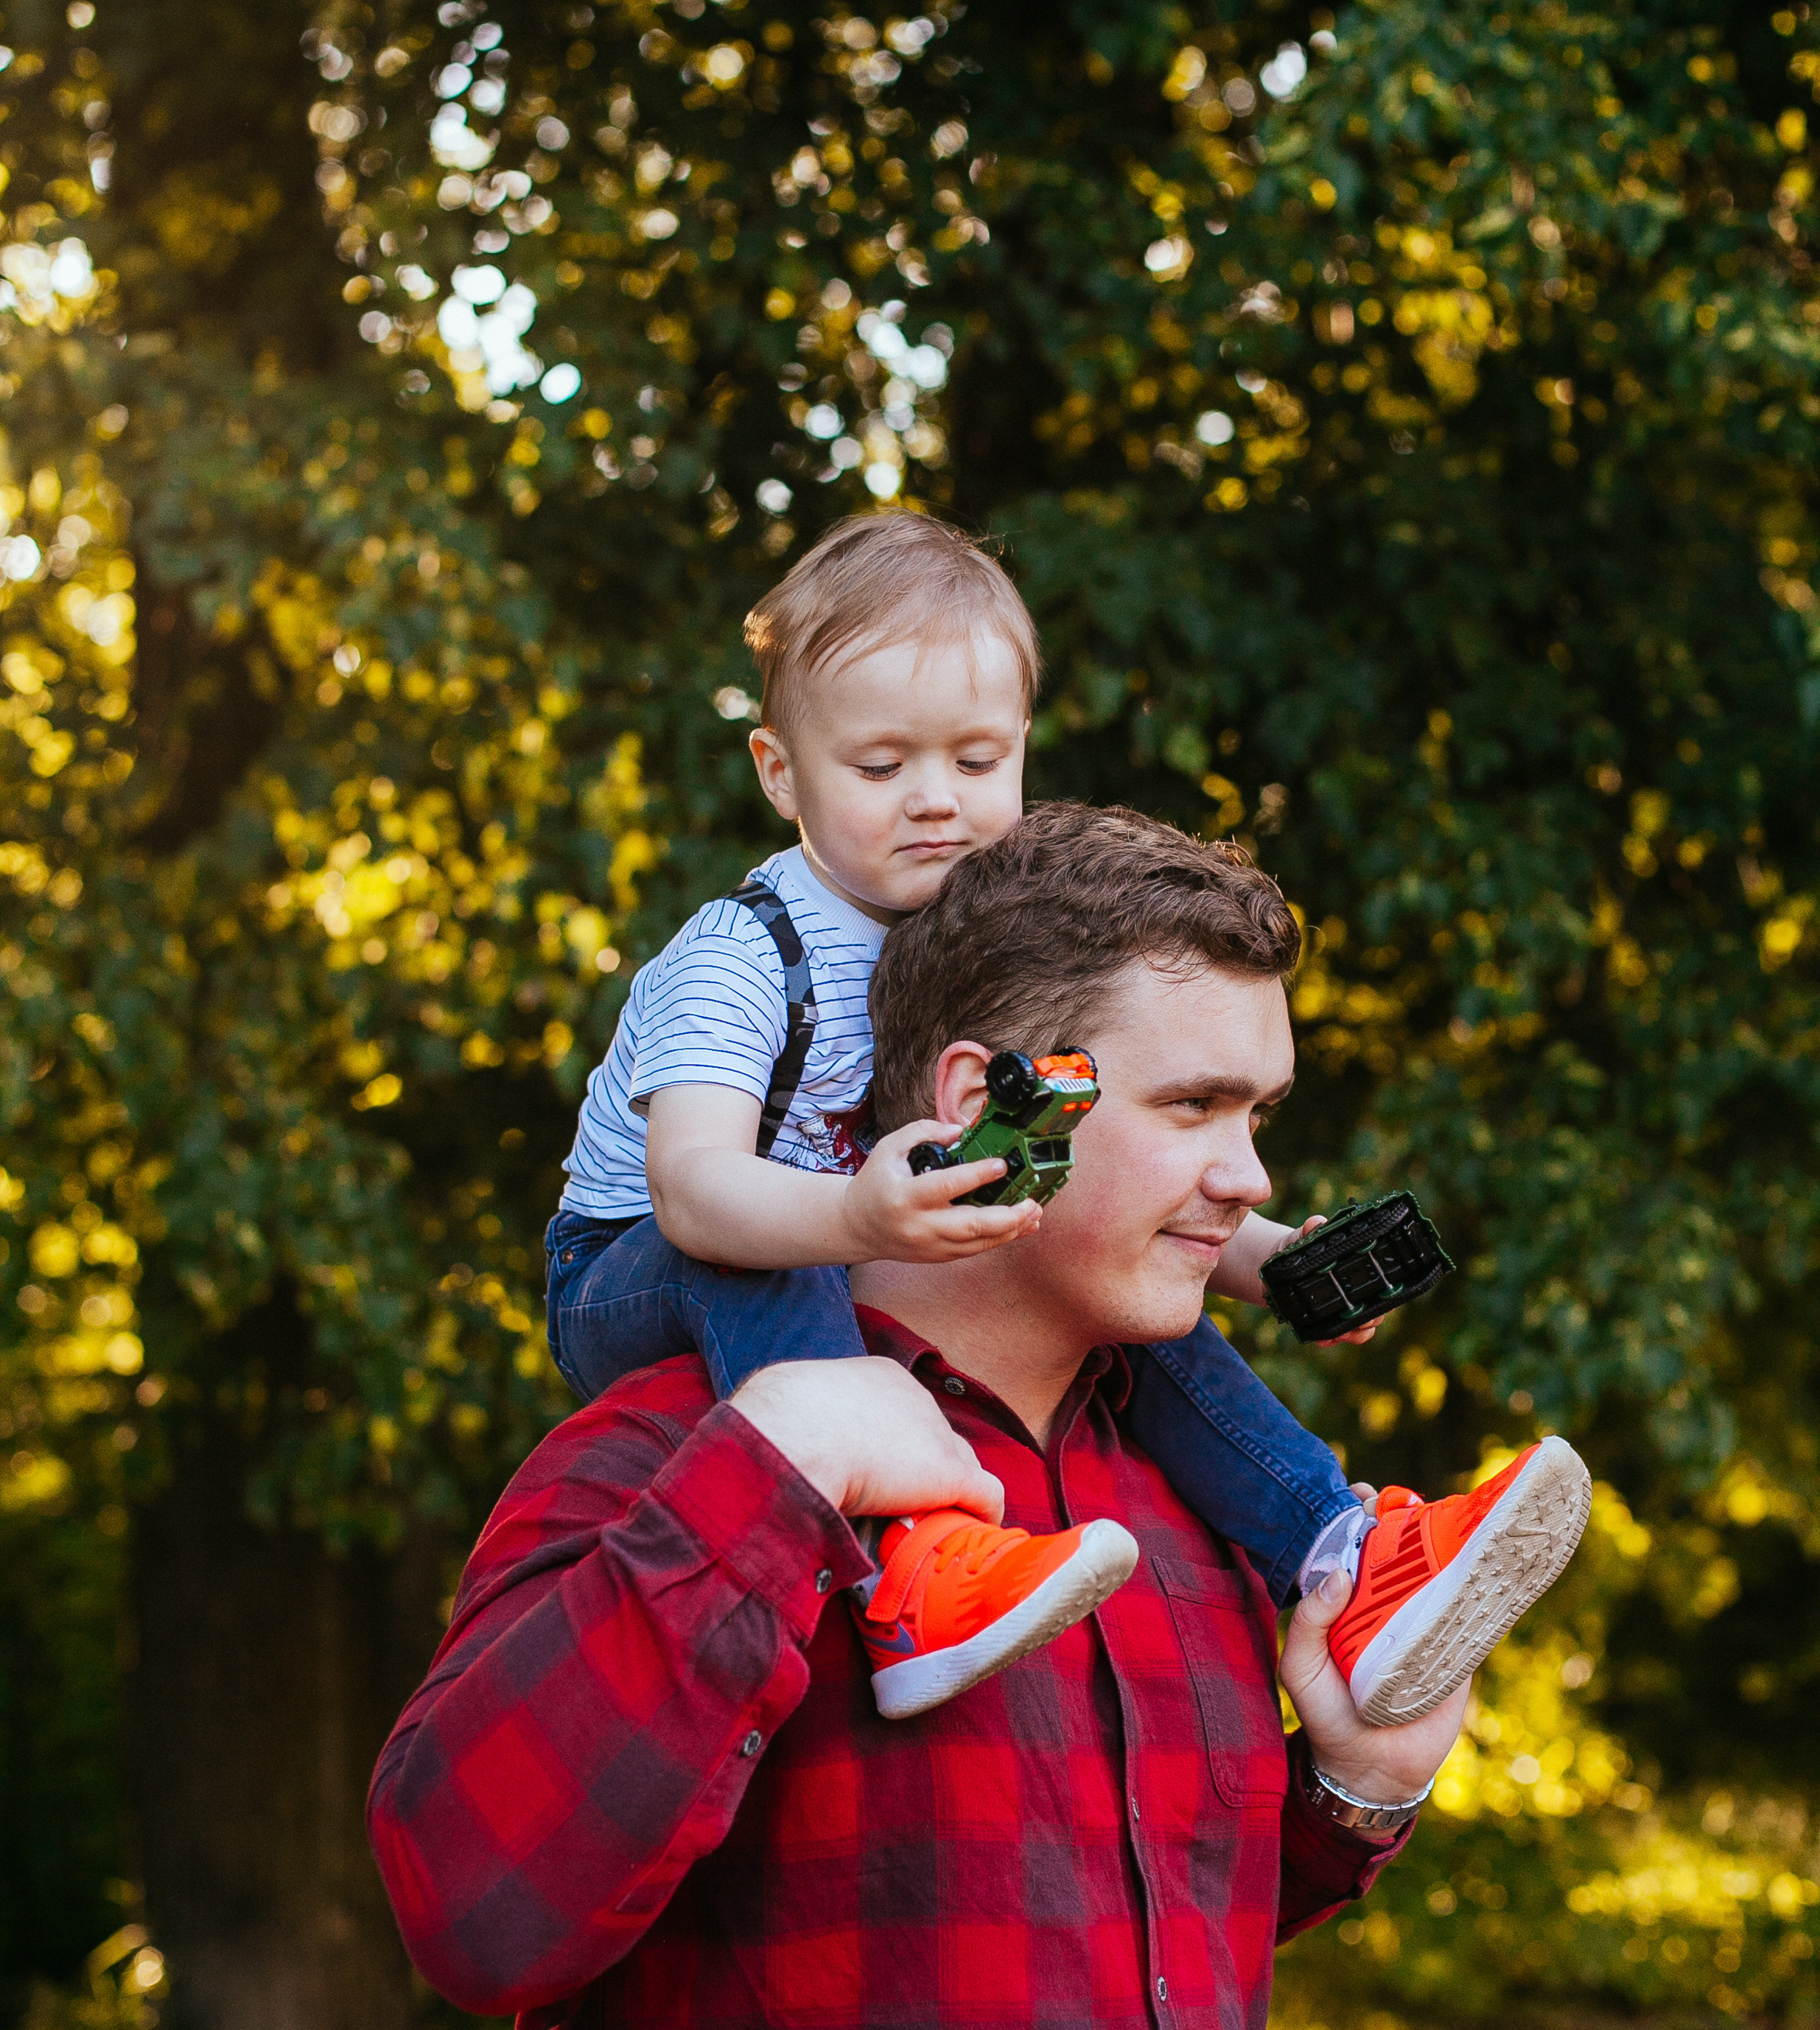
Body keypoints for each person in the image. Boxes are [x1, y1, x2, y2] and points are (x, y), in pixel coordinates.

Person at [370, 802, 1546, 2030]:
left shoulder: (1191, 1517)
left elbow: (1090, 1958)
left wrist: (1352, 1790)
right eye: (1190, 1104)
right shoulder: (685, 1455)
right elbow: (468, 1906)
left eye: (1256, 1111)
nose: (1245, 1174)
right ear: (992, 1101)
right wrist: (770, 1485)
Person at [543, 511, 1587, 1722]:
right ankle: (911, 1564)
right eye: (881, 769)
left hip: (850, 1228)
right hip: (638, 1265)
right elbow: (692, 1191)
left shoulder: (981, 945)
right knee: (756, 1263)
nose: (935, 802)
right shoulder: (744, 953)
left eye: (977, 763)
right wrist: (850, 1211)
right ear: (781, 772)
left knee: (1125, 1292)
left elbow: (1060, 1168)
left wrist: (1270, 1262)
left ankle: (1343, 1561)